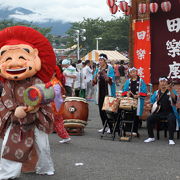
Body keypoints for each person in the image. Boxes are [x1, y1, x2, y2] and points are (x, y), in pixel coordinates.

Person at [0, 26, 55, 179]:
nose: (14, 64)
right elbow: (5, 99)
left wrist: (34, 107)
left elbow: (46, 96)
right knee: (8, 146)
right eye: (8, 59)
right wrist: (15, 110)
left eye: (22, 58)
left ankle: (44, 167)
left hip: (36, 118)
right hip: (15, 118)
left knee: (42, 145)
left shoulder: (37, 80)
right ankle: (6, 174)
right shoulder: (8, 84)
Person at [144, 77, 179, 145]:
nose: (163, 83)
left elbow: (175, 100)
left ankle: (171, 138)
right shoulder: (157, 92)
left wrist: (171, 90)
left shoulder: (171, 91)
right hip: (159, 112)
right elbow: (152, 101)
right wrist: (150, 105)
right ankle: (151, 137)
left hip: (169, 112)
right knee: (149, 118)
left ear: (167, 83)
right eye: (161, 82)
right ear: (159, 83)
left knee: (171, 119)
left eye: (164, 81)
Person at [47, 66, 71, 144]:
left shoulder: (55, 82)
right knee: (56, 122)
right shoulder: (52, 81)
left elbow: (56, 93)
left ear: (54, 73)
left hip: (55, 105)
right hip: (54, 105)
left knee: (57, 122)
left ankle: (65, 136)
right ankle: (65, 136)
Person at [93, 53, 116, 133]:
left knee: (108, 110)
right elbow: (94, 81)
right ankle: (104, 126)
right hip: (100, 92)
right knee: (101, 110)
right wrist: (95, 76)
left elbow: (111, 80)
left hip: (108, 91)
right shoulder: (98, 68)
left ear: (105, 61)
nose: (100, 61)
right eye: (99, 60)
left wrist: (104, 74)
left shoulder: (109, 68)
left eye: (101, 60)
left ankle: (111, 127)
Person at [122, 67, 147, 136]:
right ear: (129, 74)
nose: (133, 73)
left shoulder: (141, 81)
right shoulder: (128, 81)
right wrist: (126, 93)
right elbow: (124, 90)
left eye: (134, 72)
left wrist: (139, 95)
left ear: (136, 72)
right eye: (131, 72)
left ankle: (134, 131)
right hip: (129, 101)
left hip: (137, 100)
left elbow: (144, 92)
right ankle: (127, 130)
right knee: (128, 114)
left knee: (135, 116)